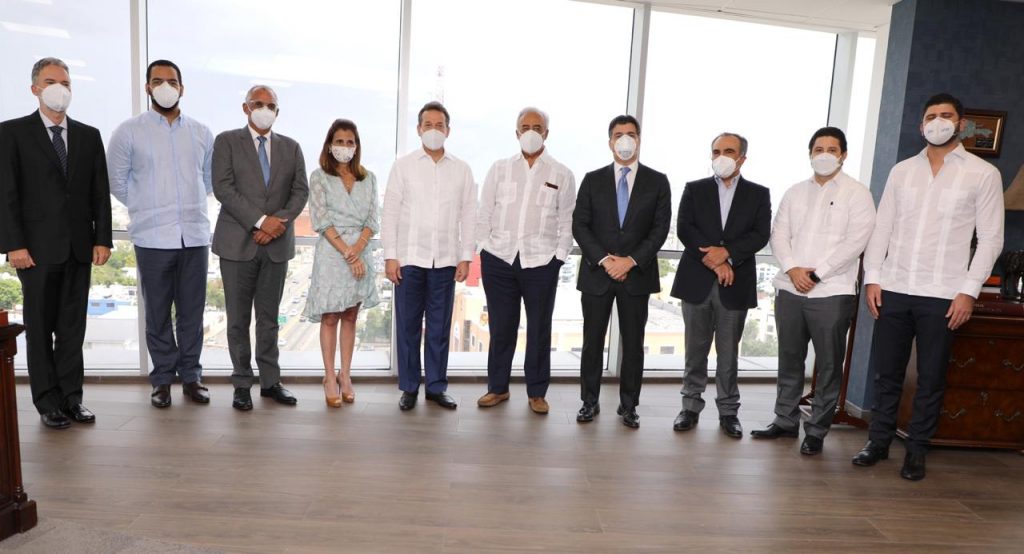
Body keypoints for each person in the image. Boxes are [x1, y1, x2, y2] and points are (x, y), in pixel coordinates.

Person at [852, 93, 1004, 480]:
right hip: (895, 285)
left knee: (932, 377)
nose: (938, 122)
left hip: (944, 293)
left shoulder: (983, 174)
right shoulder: (902, 171)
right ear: (921, 127)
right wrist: (873, 277)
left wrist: (969, 290)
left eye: (946, 116)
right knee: (887, 373)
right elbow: (882, 227)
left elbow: (991, 239)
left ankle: (917, 449)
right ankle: (878, 442)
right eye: (931, 116)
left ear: (961, 124)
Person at [0, 57, 112, 429]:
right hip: (34, 251)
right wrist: (13, 245)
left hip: (79, 248)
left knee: (71, 330)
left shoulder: (88, 135)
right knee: (40, 328)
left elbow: (99, 192)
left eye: (65, 82)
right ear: (35, 88)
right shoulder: (12, 133)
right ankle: (47, 402)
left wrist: (102, 239)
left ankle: (71, 398)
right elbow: (6, 193)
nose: (59, 88)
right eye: (51, 82)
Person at [750, 127, 875, 455]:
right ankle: (785, 420)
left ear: (843, 155)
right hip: (790, 287)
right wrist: (793, 269)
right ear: (810, 154)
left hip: (832, 291)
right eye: (818, 149)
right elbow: (779, 234)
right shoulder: (794, 192)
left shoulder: (857, 193)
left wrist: (818, 274)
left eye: (832, 149)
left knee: (829, 364)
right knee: (789, 358)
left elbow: (856, 241)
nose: (824, 155)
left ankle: (817, 430)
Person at [108, 59, 214, 409]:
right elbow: (117, 181)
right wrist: (148, 205)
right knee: (157, 313)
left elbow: (208, 179)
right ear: (147, 87)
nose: (165, 87)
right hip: (152, 239)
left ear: (182, 88)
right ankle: (162, 380)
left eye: (172, 81)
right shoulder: (129, 131)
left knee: (192, 313)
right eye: (158, 81)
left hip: (194, 236)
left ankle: (192, 376)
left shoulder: (201, 132)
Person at [211, 85, 309, 411]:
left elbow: (300, 192)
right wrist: (260, 221)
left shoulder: (292, 148)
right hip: (237, 244)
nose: (264, 109)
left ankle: (270, 382)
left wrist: (275, 223)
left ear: (277, 111)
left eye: (271, 105)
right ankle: (242, 384)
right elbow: (223, 188)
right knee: (238, 321)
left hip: (276, 246)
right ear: (246, 107)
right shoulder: (226, 142)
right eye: (258, 103)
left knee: (269, 320)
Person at [572, 114, 672, 428]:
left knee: (633, 345)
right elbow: (580, 225)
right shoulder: (592, 179)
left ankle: (629, 406)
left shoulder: (658, 181)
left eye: (631, 133)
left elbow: (659, 230)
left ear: (639, 140)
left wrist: (629, 261)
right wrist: (606, 260)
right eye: (619, 134)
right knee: (592, 342)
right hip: (597, 273)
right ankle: (589, 402)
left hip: (636, 275)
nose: (625, 139)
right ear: (610, 141)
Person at [475, 107, 576, 414]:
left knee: (539, 329)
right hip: (499, 259)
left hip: (542, 262)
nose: (531, 132)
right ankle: (498, 388)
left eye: (537, 127)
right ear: (517, 132)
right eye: (525, 127)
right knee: (501, 327)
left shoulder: (561, 173)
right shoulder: (499, 169)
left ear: (546, 133)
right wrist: (483, 247)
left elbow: (567, 220)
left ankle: (537, 392)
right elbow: (484, 212)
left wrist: (558, 258)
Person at [671, 132, 771, 438]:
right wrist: (715, 261)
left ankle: (728, 412)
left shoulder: (758, 194)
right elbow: (685, 229)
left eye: (728, 151)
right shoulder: (695, 189)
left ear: (742, 158)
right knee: (695, 350)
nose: (721, 157)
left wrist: (727, 254)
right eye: (716, 151)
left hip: (735, 283)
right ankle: (690, 407)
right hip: (697, 280)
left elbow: (760, 235)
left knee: (728, 354)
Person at [382, 101, 476, 411]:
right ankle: (409, 387)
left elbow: (468, 215)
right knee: (408, 327)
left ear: (448, 130)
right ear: (418, 129)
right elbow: (390, 212)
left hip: (446, 261)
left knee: (439, 328)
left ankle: (435, 387)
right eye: (428, 124)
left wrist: (465, 256)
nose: (433, 130)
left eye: (439, 125)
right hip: (409, 259)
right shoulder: (403, 166)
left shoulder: (462, 169)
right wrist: (390, 256)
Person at [302, 119, 380, 407]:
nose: (345, 147)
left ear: (356, 146)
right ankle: (328, 376)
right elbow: (321, 220)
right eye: (339, 141)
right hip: (332, 254)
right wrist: (348, 253)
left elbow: (372, 220)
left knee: (350, 315)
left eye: (350, 142)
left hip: (360, 252)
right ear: (329, 145)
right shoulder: (319, 177)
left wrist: (357, 250)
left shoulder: (368, 178)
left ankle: (345, 374)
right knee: (330, 317)